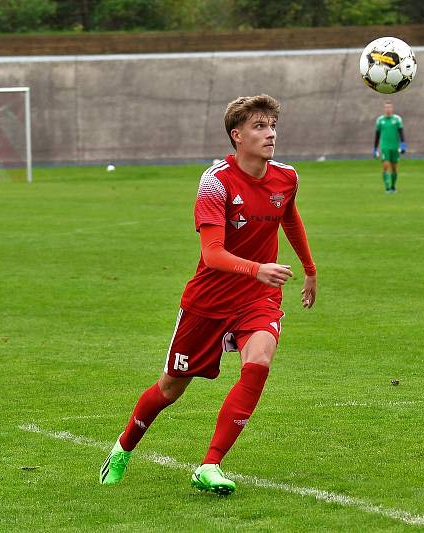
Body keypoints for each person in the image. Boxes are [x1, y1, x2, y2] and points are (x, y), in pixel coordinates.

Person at [99, 94, 317, 495]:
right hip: (209, 301)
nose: (270, 134)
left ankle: (210, 464)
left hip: (258, 298)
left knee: (259, 362)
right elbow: (212, 255)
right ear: (237, 135)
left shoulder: (287, 177)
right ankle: (123, 448)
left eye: (272, 126)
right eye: (259, 127)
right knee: (171, 388)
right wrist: (259, 268)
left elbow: (290, 216)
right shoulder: (215, 182)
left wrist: (309, 269)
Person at [373, 100, 406, 193]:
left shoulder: (397, 119)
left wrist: (403, 144)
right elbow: (377, 135)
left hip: (395, 146)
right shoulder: (380, 120)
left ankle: (393, 186)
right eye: (386, 107)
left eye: (389, 107)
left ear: (392, 108)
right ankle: (387, 187)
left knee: (394, 167)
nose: (388, 109)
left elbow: (401, 132)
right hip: (385, 146)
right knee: (385, 166)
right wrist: (375, 148)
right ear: (384, 109)